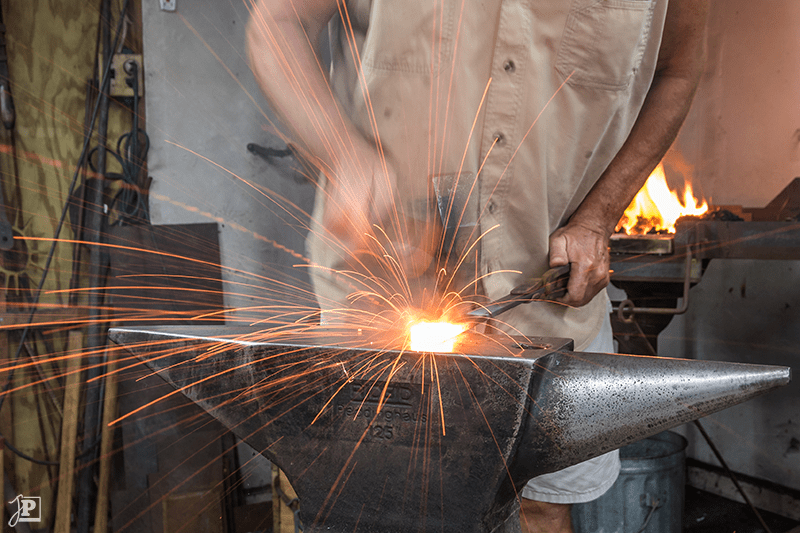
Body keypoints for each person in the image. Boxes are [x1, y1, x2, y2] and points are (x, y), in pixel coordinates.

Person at [247, 1, 708, 531]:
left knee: (537, 508)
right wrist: (345, 155)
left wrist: (600, 214)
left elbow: (676, 72)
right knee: (376, 502)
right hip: (379, 291)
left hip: (546, 302)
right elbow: (279, 23)